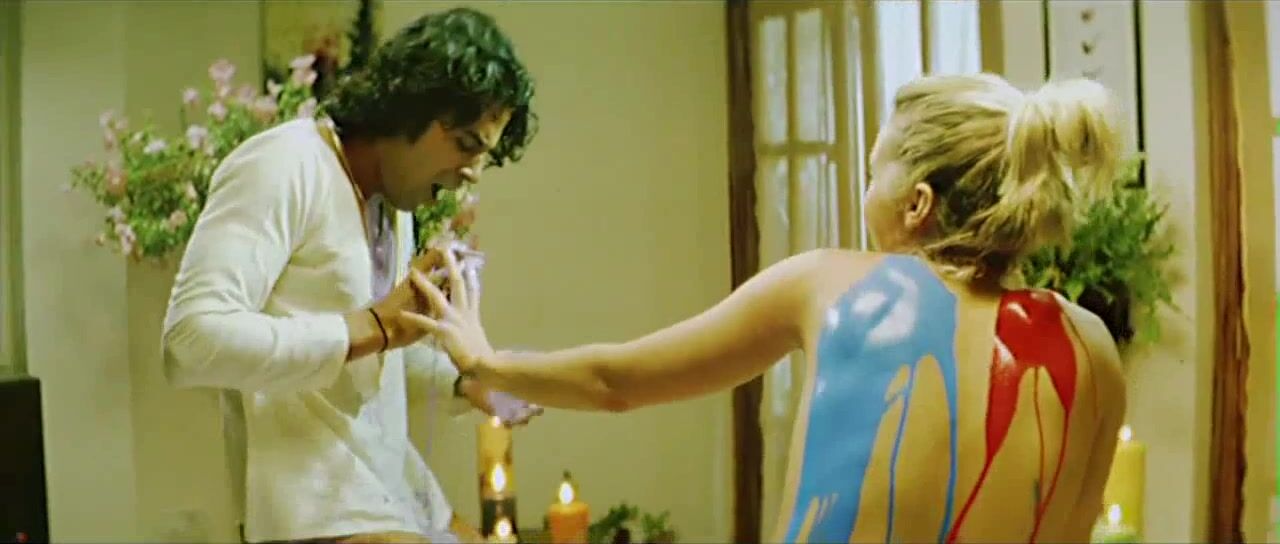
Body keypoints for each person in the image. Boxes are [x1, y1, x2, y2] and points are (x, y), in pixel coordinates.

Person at [406, 73, 1129, 543]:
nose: (866, 192)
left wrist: (484, 361)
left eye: (874, 172)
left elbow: (615, 381)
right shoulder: (1092, 346)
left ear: (917, 204)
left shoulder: (835, 286)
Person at [160, 8, 540, 544]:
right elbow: (189, 341)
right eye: (467, 144)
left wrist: (466, 381)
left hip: (390, 495)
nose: (474, 173)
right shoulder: (286, 163)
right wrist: (375, 326)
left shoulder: (392, 204)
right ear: (413, 107)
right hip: (309, 511)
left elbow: (363, 365)